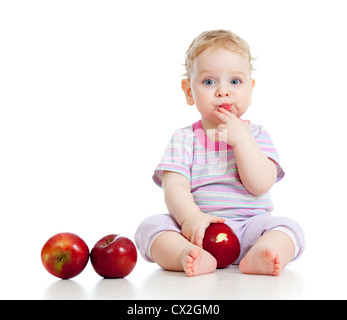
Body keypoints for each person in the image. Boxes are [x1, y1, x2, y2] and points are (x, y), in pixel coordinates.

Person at [135, 30, 305, 277]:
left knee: (288, 228)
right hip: (198, 231)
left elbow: (260, 184)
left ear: (250, 88)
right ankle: (187, 255)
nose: (223, 91)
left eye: (235, 82)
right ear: (189, 91)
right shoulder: (185, 139)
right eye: (209, 82)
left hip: (250, 228)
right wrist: (191, 218)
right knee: (150, 227)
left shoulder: (256, 135)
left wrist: (242, 141)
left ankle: (263, 252)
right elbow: (174, 188)